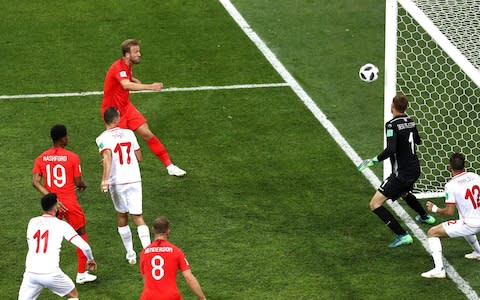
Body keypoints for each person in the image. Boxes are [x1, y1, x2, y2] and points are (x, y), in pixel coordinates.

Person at [358, 93, 435, 248]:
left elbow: (391, 149)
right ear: (405, 107)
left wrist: (373, 161)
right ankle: (425, 216)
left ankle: (403, 235)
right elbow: (418, 141)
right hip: (415, 169)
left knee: (375, 204)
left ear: (392, 106)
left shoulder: (391, 125)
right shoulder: (411, 122)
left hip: (402, 173)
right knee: (403, 192)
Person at [102, 38, 186, 177]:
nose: (139, 54)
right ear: (127, 54)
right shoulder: (118, 67)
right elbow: (125, 85)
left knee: (147, 133)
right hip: (113, 112)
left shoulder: (126, 65)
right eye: (136, 52)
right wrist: (150, 86)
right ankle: (111, 176)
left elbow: (125, 79)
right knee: (117, 147)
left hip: (126, 107)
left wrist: (133, 78)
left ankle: (169, 166)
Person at [32, 125, 97, 284]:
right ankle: (81, 273)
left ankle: (42, 271)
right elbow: (77, 181)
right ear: (62, 138)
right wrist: (83, 184)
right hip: (69, 202)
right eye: (67, 136)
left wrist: (51, 198)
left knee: (49, 236)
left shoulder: (41, 158)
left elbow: (35, 182)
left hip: (52, 204)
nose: (68, 138)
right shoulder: (73, 157)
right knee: (80, 233)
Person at [96, 107, 151, 264]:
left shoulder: (101, 138)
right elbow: (139, 157)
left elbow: (107, 157)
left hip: (117, 181)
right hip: (134, 178)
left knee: (122, 216)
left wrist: (105, 179)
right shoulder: (129, 133)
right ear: (117, 119)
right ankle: (147, 253)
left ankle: (130, 254)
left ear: (105, 120)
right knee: (138, 217)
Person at [18, 193, 97, 300]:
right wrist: (90, 259)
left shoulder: (32, 222)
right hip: (51, 273)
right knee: (73, 295)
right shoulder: (61, 225)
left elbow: (31, 244)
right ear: (55, 206)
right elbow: (85, 246)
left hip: (30, 273)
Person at [421, 153, 480, 278]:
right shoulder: (475, 176)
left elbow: (449, 212)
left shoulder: (451, 185)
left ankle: (439, 270)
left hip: (471, 224)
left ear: (449, 167)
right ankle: (478, 252)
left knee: (432, 232)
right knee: (462, 220)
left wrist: (435, 209)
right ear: (465, 165)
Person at [140, 216, 206, 300]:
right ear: (168, 231)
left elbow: (145, 279)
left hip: (148, 297)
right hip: (171, 296)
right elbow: (188, 277)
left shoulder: (144, 252)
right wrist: (202, 297)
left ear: (153, 230)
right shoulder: (176, 251)